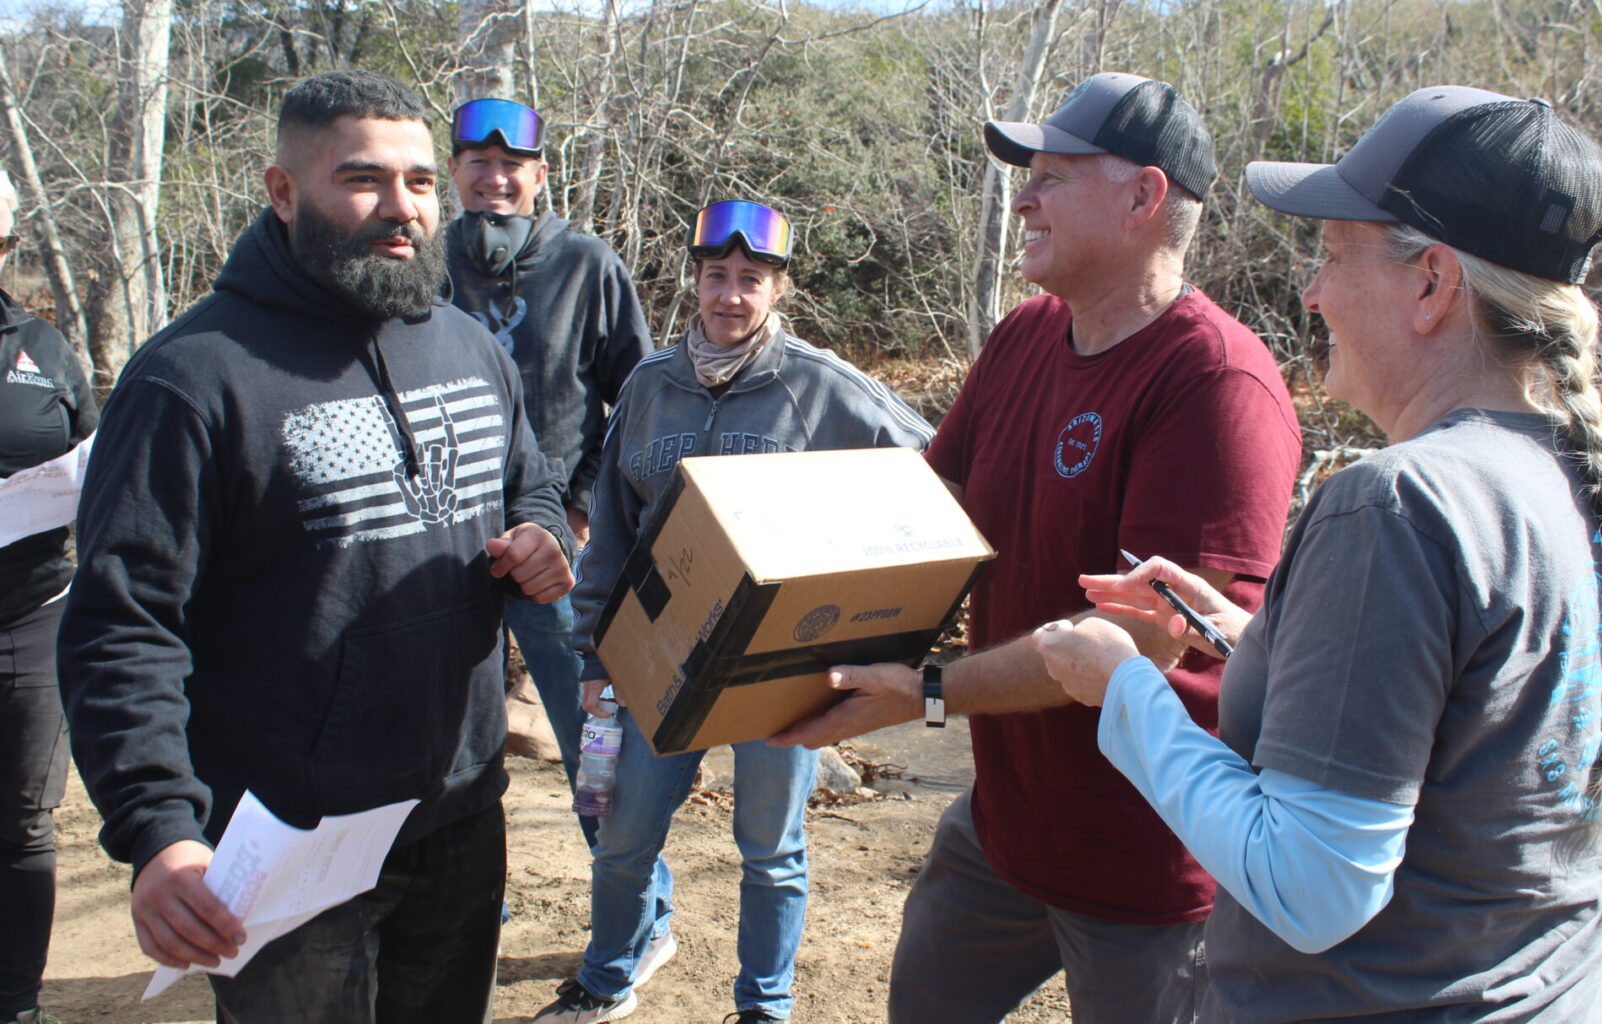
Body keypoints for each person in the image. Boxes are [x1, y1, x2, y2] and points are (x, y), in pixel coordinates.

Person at [1036, 85, 1602, 1022]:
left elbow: (1313, 885)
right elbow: (1476, 734)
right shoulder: (1573, 476)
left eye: (1332, 255)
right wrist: (1261, 640)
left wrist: (1126, 690)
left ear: (1432, 283)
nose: (1310, 294)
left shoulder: (1398, 503)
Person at [771, 73, 1304, 1023]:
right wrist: (779, 610)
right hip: (1004, 828)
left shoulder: (1216, 385)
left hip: (1146, 863)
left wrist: (927, 693)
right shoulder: (1025, 334)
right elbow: (942, 507)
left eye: (1052, 176)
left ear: (1143, 197)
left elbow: (1144, 643)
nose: (1022, 197)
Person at [56, 70, 576, 1024]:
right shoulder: (191, 378)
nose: (403, 208)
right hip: (286, 839)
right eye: (364, 180)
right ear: (284, 192)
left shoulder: (468, 346)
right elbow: (123, 624)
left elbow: (528, 482)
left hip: (458, 811)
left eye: (421, 182)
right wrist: (161, 831)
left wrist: (543, 536)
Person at [531, 199, 934, 1024]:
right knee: (622, 836)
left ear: (778, 289)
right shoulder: (648, 388)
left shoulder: (820, 387)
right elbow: (608, 531)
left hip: (779, 662)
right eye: (717, 276)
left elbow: (935, 463)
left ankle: (765, 1006)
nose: (731, 296)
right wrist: (594, 661)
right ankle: (608, 979)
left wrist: (861, 593)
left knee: (771, 850)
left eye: (752, 279)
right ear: (696, 281)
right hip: (660, 657)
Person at [444, 99, 653, 844]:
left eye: (512, 166)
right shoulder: (425, 265)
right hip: (446, 549)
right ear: (454, 172)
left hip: (560, 548)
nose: (495, 179)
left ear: (538, 176)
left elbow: (637, 400)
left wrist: (580, 508)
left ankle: (635, 903)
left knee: (592, 731)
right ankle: (467, 907)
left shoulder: (587, 264)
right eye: (480, 164)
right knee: (448, 743)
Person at [0, 169, 98, 1024]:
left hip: (31, 612)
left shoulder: (42, 346)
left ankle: (17, 1004)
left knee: (26, 826)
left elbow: (91, 457)